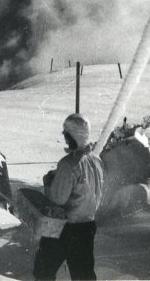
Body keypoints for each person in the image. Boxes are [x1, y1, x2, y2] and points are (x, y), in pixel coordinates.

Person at [33, 113, 104, 280]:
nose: (64, 137)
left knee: (43, 271)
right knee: (84, 275)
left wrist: (49, 182)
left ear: (73, 136)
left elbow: (58, 198)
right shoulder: (96, 160)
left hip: (64, 228)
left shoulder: (68, 164)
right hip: (87, 227)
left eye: (66, 134)